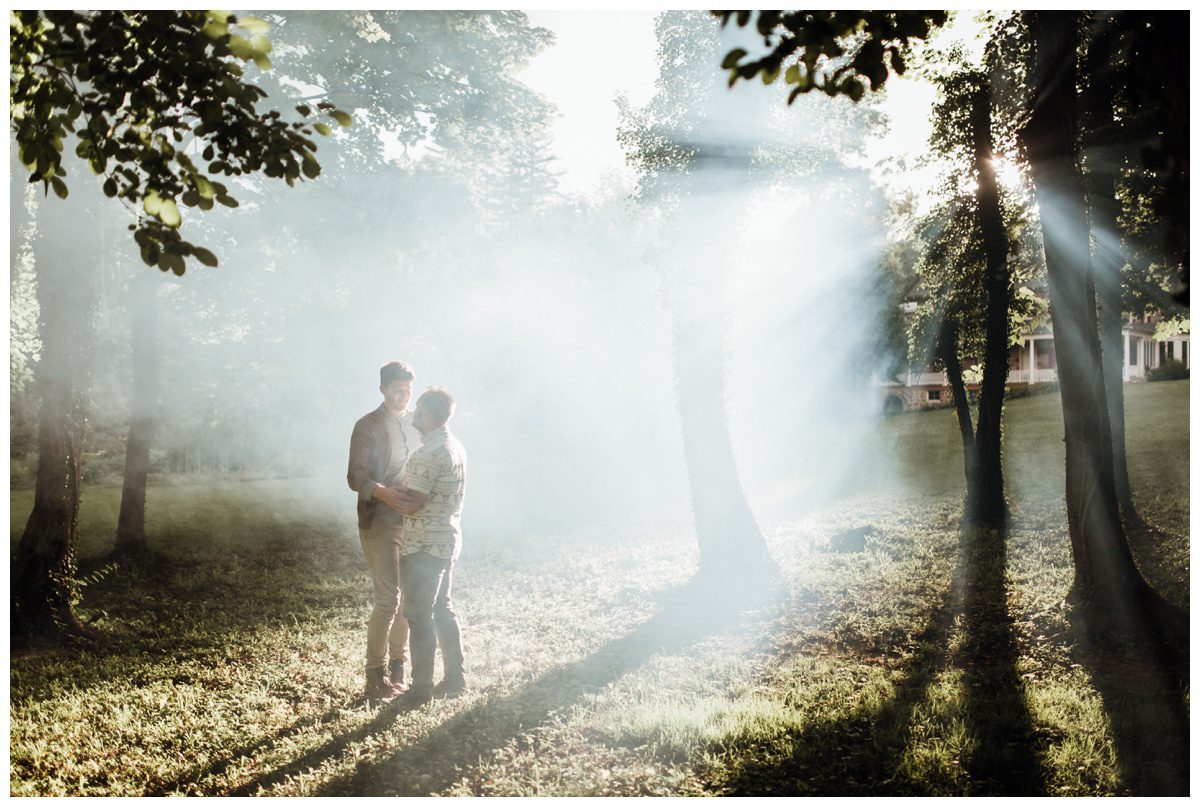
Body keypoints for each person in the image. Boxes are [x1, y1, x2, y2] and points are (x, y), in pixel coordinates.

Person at [347, 360, 423, 701]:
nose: (403, 396)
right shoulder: (367, 426)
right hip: (379, 520)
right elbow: (355, 477)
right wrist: (385, 492)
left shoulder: (417, 424)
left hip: (412, 522)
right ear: (382, 389)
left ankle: (397, 668)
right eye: (396, 390)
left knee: (410, 600)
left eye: (408, 390)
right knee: (388, 599)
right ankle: (374, 676)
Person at [396, 387, 468, 706]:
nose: (413, 413)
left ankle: (420, 689)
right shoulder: (454, 446)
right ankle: (455, 680)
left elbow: (413, 504)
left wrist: (383, 494)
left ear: (428, 415)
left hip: (423, 544)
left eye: (418, 409)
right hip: (447, 537)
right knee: (442, 609)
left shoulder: (426, 454)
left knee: (418, 614)